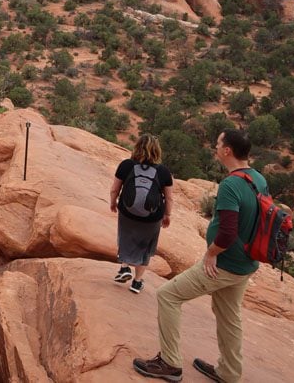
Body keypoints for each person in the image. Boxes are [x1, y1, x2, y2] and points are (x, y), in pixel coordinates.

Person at [133, 129, 264, 382]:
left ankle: (170, 363)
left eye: (218, 144)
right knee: (229, 316)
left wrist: (212, 253)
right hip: (246, 263)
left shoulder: (231, 184)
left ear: (227, 151)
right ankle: (229, 372)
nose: (215, 148)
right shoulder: (257, 178)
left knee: (168, 296)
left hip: (224, 264)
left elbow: (227, 231)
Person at [109, 133, 174, 294]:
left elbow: (115, 189)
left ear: (137, 147)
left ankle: (124, 268)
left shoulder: (126, 165)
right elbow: (169, 198)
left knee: (125, 237)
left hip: (127, 211)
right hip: (152, 217)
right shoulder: (164, 172)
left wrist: (113, 202)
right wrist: (167, 215)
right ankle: (137, 282)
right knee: (145, 246)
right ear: (157, 151)